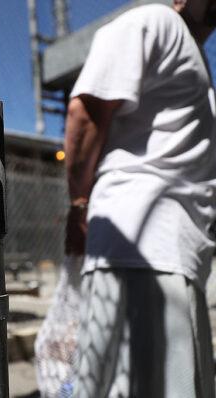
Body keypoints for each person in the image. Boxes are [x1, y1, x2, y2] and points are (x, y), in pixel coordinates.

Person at [65, 0, 216, 396]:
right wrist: (79, 205)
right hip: (143, 250)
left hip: (169, 255)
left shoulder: (189, 51)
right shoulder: (155, 21)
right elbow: (86, 112)